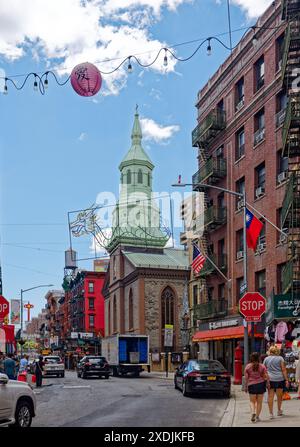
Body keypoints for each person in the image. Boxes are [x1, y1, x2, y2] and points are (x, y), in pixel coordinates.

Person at [263, 345, 289, 418]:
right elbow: (283, 369)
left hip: (270, 379)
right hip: (279, 379)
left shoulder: (266, 359)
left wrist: (265, 378)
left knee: (270, 396)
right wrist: (286, 379)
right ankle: (279, 410)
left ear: (270, 351)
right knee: (279, 396)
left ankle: (271, 413)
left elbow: (264, 370)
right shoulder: (280, 358)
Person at [244, 352, 269, 422]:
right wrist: (268, 383)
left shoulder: (248, 367)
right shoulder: (262, 366)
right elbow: (266, 376)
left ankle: (253, 412)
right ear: (259, 358)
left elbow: (246, 378)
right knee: (259, 402)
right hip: (261, 384)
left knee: (252, 401)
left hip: (251, 385)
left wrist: (245, 387)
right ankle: (257, 417)